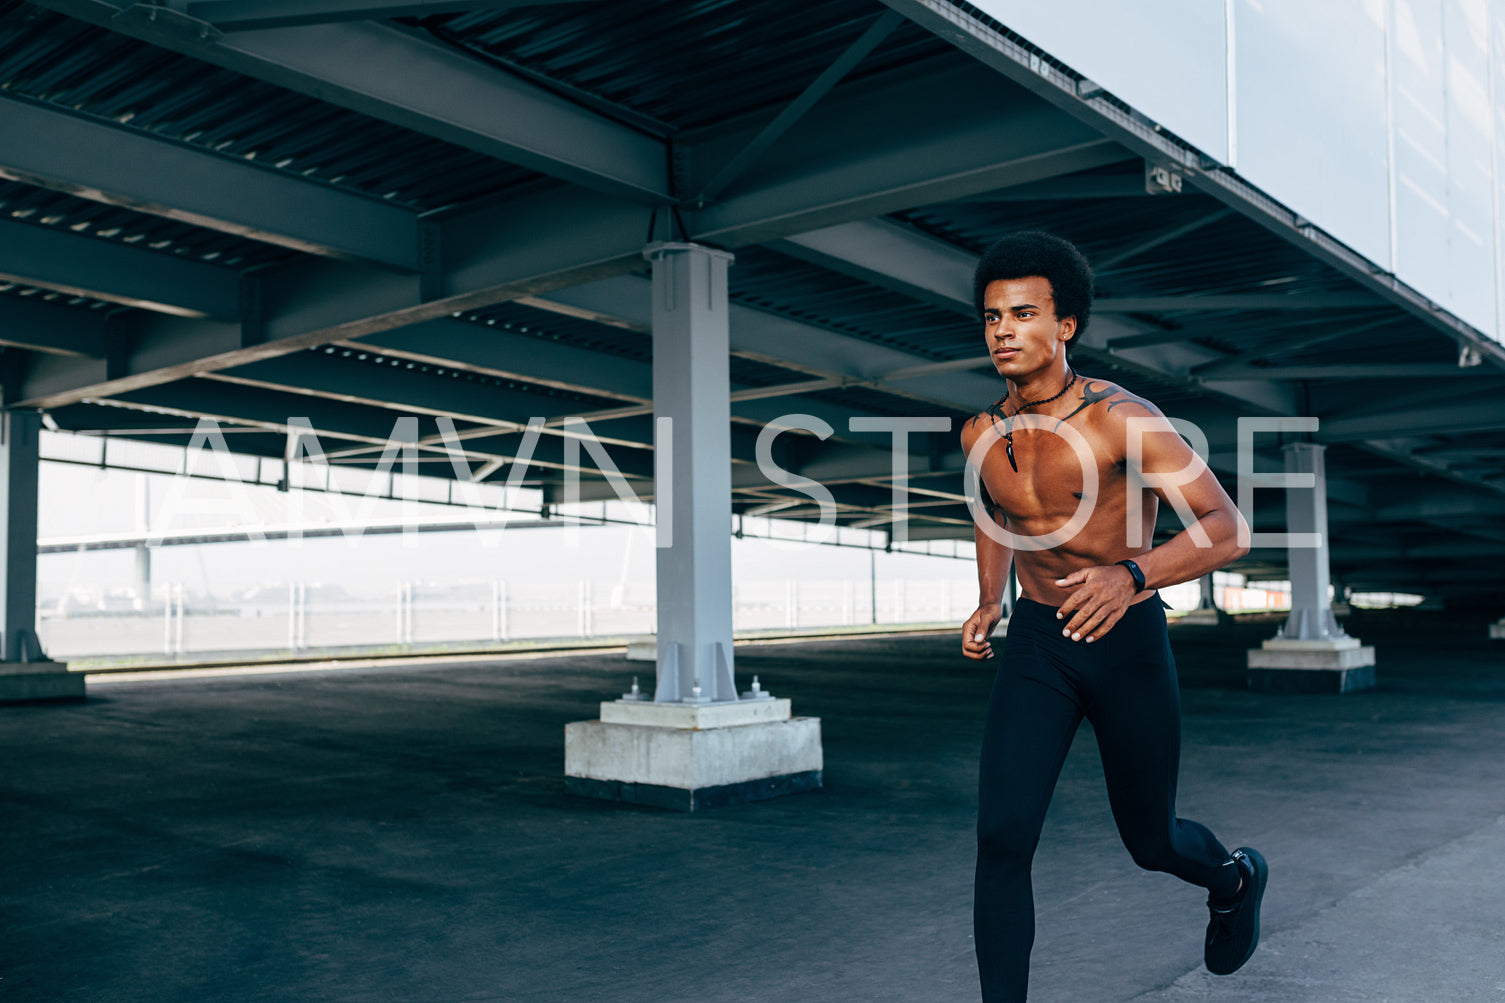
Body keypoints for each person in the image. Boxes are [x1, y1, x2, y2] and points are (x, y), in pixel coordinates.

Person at [958, 232, 1266, 1002]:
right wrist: (988, 597)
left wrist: (1132, 573)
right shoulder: (978, 433)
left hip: (1124, 638)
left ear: (1065, 325)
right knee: (999, 837)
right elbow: (994, 514)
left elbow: (1227, 527)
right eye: (992, 315)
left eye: (1022, 313)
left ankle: (1231, 879)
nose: (1002, 329)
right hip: (1038, 638)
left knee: (1150, 838)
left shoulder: (1122, 419)